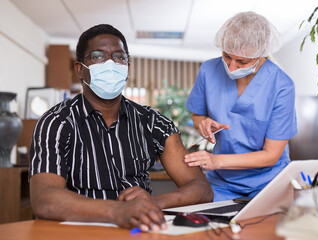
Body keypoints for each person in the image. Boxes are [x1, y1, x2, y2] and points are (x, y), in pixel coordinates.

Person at [29, 24, 213, 232]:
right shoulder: (56, 122)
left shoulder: (153, 122)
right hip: (79, 231)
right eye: (98, 56)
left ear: (126, 69)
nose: (111, 64)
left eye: (119, 57)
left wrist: (153, 204)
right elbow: (44, 199)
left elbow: (201, 189)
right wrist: (117, 211)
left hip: (139, 229)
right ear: (80, 70)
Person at [184, 11, 297, 202]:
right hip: (222, 182)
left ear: (261, 54)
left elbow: (271, 154)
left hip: (269, 183)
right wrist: (202, 124)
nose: (231, 67)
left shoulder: (282, 85)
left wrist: (216, 161)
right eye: (227, 56)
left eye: (242, 61)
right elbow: (197, 115)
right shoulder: (209, 70)